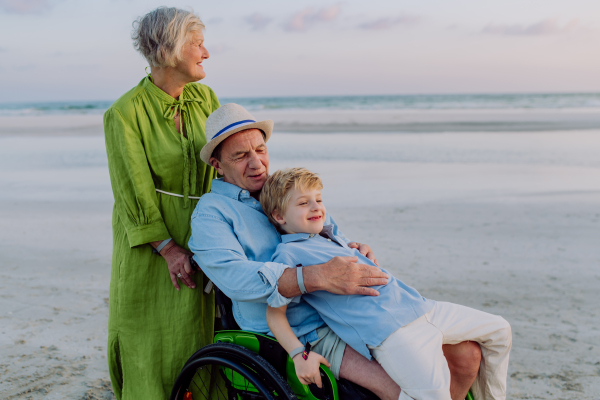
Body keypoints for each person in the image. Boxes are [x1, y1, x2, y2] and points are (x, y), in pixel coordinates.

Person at [189, 103, 483, 400]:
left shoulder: (282, 188)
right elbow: (237, 280)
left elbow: (331, 236)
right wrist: (313, 276)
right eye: (241, 156)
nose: (257, 164)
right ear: (217, 164)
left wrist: (354, 249)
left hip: (349, 309)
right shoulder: (212, 214)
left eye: (260, 150)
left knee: (466, 355)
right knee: (404, 388)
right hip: (304, 328)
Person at [261, 167, 513, 400]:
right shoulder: (288, 255)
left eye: (319, 199)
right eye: (304, 203)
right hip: (393, 332)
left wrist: (358, 250)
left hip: (423, 308)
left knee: (500, 330)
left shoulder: (330, 237)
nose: (316, 207)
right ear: (279, 215)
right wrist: (298, 355)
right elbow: (275, 314)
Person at [104, 7, 221, 399]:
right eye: (198, 44)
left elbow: (226, 165)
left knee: (200, 324)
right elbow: (131, 189)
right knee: (150, 327)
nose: (206, 53)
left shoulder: (206, 98)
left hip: (204, 225)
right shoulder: (124, 113)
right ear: (171, 49)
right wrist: (167, 248)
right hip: (152, 238)